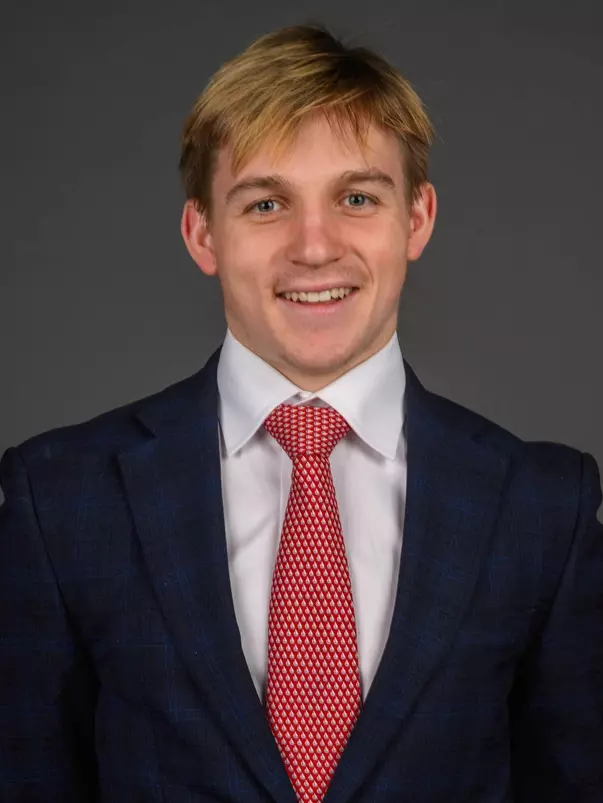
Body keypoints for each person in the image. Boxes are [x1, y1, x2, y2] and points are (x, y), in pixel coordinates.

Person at [0, 22, 601, 803]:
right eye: (265, 203)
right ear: (201, 231)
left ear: (414, 219)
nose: (313, 247)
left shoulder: (542, 508)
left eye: (356, 197)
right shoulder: (60, 499)